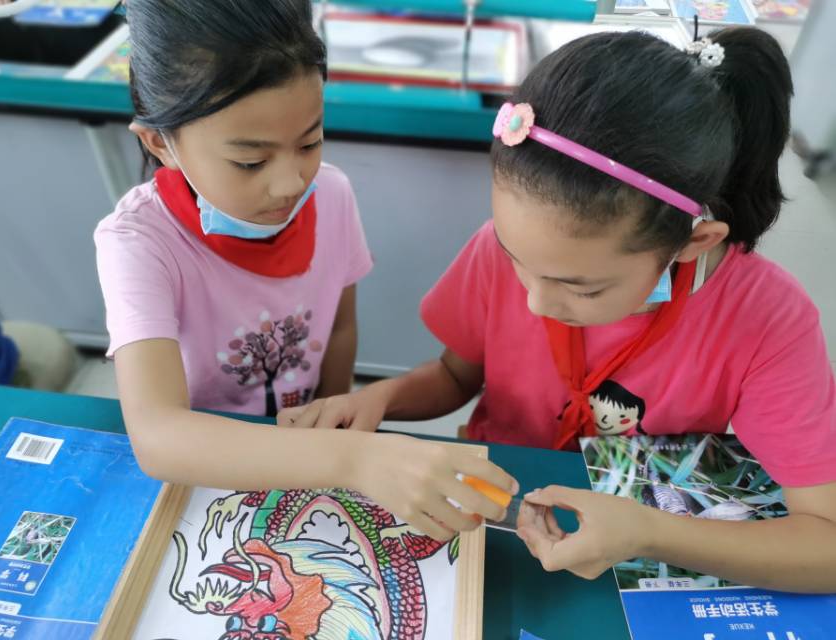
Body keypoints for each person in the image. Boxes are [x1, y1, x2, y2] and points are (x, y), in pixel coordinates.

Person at [279, 28, 836, 591]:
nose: (535, 301)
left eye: (583, 288)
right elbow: (455, 375)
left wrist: (650, 533)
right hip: (496, 508)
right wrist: (379, 399)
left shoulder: (768, 321)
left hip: (644, 547)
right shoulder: (498, 251)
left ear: (692, 243)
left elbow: (825, 542)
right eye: (516, 259)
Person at [94, 0, 516, 541]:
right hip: (207, 469)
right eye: (250, 162)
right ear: (160, 142)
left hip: (309, 456)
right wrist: (351, 458)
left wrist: (335, 419)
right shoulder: (138, 243)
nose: (291, 183)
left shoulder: (331, 194)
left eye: (310, 142)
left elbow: (338, 328)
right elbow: (158, 435)